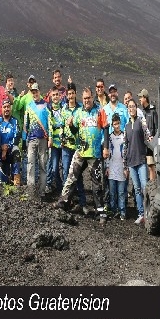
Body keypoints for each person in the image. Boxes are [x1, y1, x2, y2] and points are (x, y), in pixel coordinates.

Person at [56, 87, 109, 224]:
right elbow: (74, 131)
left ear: (92, 97)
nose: (86, 100)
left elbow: (106, 129)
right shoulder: (79, 112)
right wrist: (71, 125)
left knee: (96, 182)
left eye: (88, 98)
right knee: (71, 176)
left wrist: (106, 147)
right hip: (80, 150)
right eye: (84, 98)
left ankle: (100, 211)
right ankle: (63, 202)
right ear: (82, 98)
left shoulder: (100, 111)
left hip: (95, 152)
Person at [60, 82, 88, 213]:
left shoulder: (81, 109)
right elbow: (61, 126)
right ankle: (68, 201)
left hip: (78, 147)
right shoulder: (64, 109)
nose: (71, 96)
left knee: (78, 176)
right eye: (69, 94)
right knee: (67, 174)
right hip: (66, 147)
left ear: (76, 94)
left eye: (72, 93)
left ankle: (82, 202)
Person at [123, 99, 152, 224]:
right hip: (131, 161)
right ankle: (141, 214)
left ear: (136, 108)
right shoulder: (126, 126)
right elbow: (125, 145)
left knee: (145, 187)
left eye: (133, 106)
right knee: (137, 189)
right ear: (127, 109)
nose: (131, 109)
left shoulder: (141, 122)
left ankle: (148, 213)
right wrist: (125, 165)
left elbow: (148, 136)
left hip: (141, 160)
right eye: (129, 107)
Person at [24, 83, 51, 197]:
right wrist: (25, 139)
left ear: (40, 92)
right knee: (30, 164)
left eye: (36, 91)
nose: (35, 94)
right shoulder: (29, 106)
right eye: (33, 92)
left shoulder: (46, 105)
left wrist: (49, 138)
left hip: (43, 140)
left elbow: (50, 123)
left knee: (43, 165)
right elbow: (26, 124)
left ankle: (42, 191)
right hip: (31, 139)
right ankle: (30, 191)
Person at [105, 113, 127, 220]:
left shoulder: (124, 136)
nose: (117, 126)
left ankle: (122, 211)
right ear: (112, 125)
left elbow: (126, 153)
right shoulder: (110, 138)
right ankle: (114, 210)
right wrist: (107, 167)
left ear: (120, 124)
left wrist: (126, 167)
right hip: (112, 167)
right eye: (115, 124)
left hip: (122, 168)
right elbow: (108, 154)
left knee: (121, 192)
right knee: (112, 192)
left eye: (118, 124)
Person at [0, 99, 22, 185]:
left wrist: (7, 147)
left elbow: (17, 137)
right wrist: (1, 147)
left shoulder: (15, 121)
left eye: (8, 107)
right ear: (1, 109)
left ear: (10, 108)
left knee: (16, 150)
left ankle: (16, 178)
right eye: (4, 107)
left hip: (10, 150)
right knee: (2, 180)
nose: (6, 109)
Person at [45, 86, 63, 194]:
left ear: (60, 96)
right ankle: (56, 184)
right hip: (54, 143)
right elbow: (50, 125)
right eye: (54, 95)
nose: (55, 97)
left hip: (64, 142)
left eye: (57, 94)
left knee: (65, 167)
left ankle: (64, 188)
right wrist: (50, 138)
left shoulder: (63, 108)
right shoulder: (49, 109)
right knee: (54, 167)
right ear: (51, 96)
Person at [138, 88, 158, 181]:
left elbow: (157, 128)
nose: (139, 100)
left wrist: (153, 140)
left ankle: (152, 185)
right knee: (142, 166)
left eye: (140, 98)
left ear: (145, 98)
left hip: (150, 145)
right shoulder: (141, 112)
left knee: (151, 166)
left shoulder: (153, 111)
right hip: (142, 144)